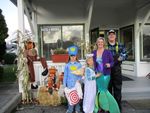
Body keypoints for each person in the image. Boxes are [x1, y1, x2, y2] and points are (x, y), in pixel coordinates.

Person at [93, 37, 120, 113]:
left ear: (104, 43)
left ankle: (109, 107)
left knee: (104, 91)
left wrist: (109, 65)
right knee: (99, 91)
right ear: (97, 43)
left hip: (105, 75)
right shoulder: (94, 52)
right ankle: (101, 107)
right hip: (98, 75)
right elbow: (92, 62)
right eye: (99, 42)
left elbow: (112, 62)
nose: (100, 43)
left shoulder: (107, 52)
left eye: (101, 42)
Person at [107, 30, 127, 111]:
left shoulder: (120, 45)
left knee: (117, 89)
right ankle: (109, 107)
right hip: (107, 70)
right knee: (108, 89)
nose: (111, 35)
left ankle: (117, 107)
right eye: (110, 34)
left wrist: (120, 58)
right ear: (108, 36)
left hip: (117, 70)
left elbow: (125, 55)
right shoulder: (105, 46)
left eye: (113, 34)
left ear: (115, 36)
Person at [63, 45, 82, 113]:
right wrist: (64, 85)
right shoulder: (67, 65)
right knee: (70, 97)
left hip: (76, 84)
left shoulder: (79, 65)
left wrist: (79, 80)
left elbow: (80, 74)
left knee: (77, 97)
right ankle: (70, 109)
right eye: (71, 56)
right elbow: (65, 75)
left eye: (74, 56)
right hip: (69, 85)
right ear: (69, 56)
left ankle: (77, 109)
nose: (73, 57)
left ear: (76, 56)